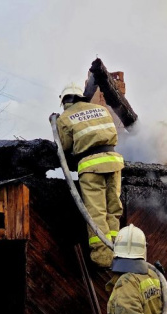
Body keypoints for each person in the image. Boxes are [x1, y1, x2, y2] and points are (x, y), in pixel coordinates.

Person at [53, 82, 124, 268]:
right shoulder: (101, 109)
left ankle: (103, 258)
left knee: (96, 213)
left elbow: (64, 146)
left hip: (91, 167)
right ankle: (118, 252)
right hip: (114, 162)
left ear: (65, 101)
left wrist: (57, 125)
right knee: (113, 210)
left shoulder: (65, 117)